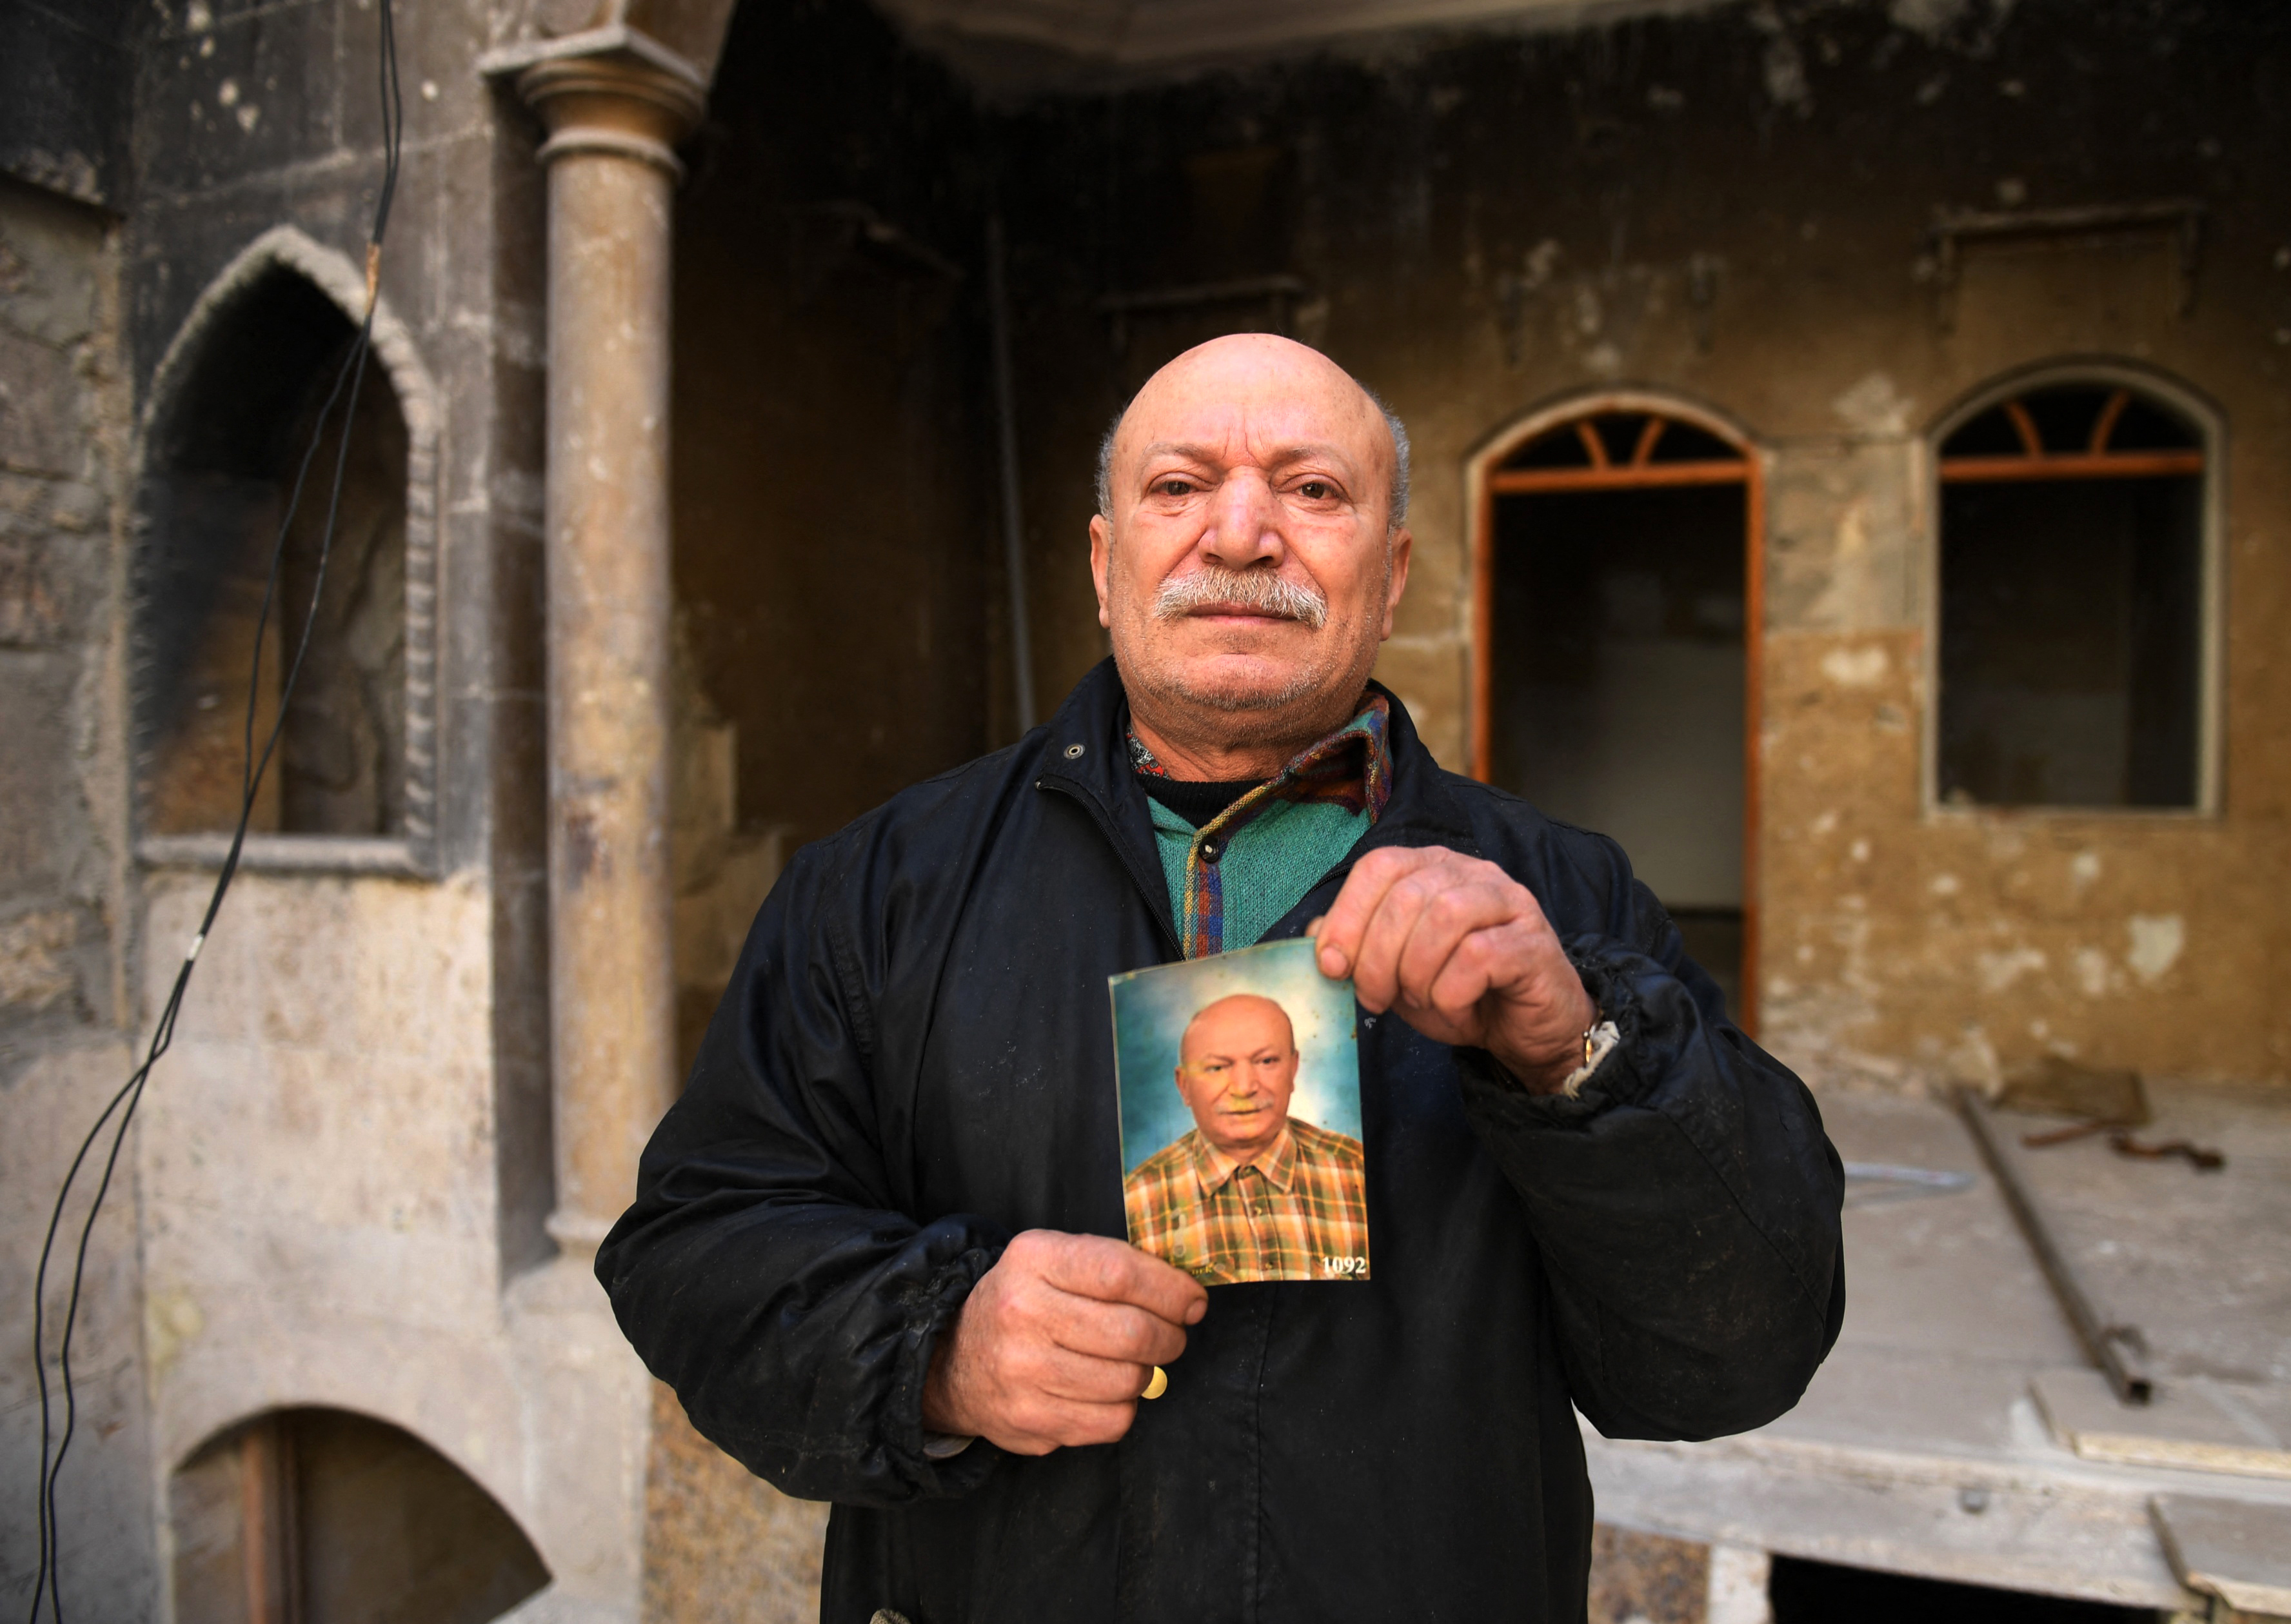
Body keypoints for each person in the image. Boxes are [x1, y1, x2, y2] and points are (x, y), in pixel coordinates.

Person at [597, 332, 1845, 1624]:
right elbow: (692, 1252)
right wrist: (936, 1349)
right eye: (1178, 486)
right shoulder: (879, 890)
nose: (1240, 534)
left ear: (1392, 574)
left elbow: (1737, 1351)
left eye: (1311, 489)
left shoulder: (1560, 904)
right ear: (1103, 564)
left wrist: (1576, 1056)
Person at [1122, 992, 1369, 1284]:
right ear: (1184, 1085)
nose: (1244, 1088)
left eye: (1266, 1061)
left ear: (1293, 1069)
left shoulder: (1359, 1169)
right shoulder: (1136, 1202)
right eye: (1217, 1067)